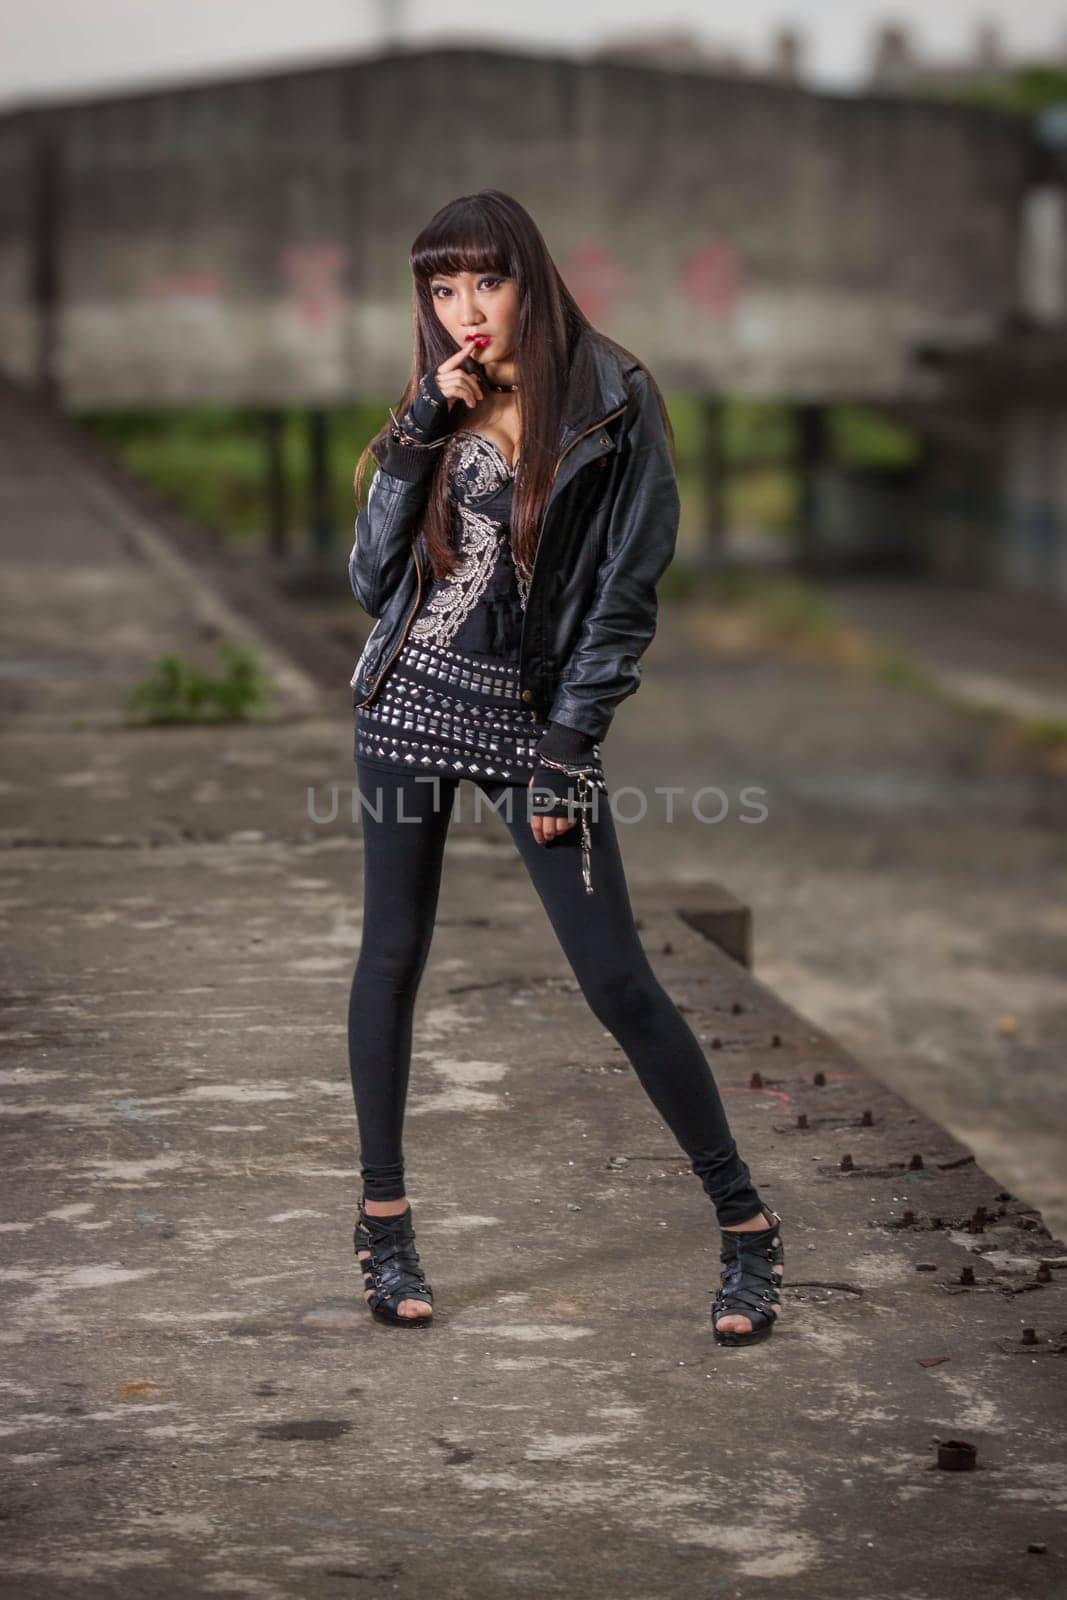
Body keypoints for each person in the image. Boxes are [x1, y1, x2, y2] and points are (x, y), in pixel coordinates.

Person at [346, 190, 784, 1347]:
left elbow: (621, 602)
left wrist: (563, 753)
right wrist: (416, 436)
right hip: (403, 711)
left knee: (617, 980)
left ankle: (746, 1228)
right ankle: (383, 1227)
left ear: (528, 277)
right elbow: (368, 579)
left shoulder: (611, 402)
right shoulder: (433, 404)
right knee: (390, 956)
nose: (462, 312)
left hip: (533, 723)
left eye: (482, 282)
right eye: (440, 291)